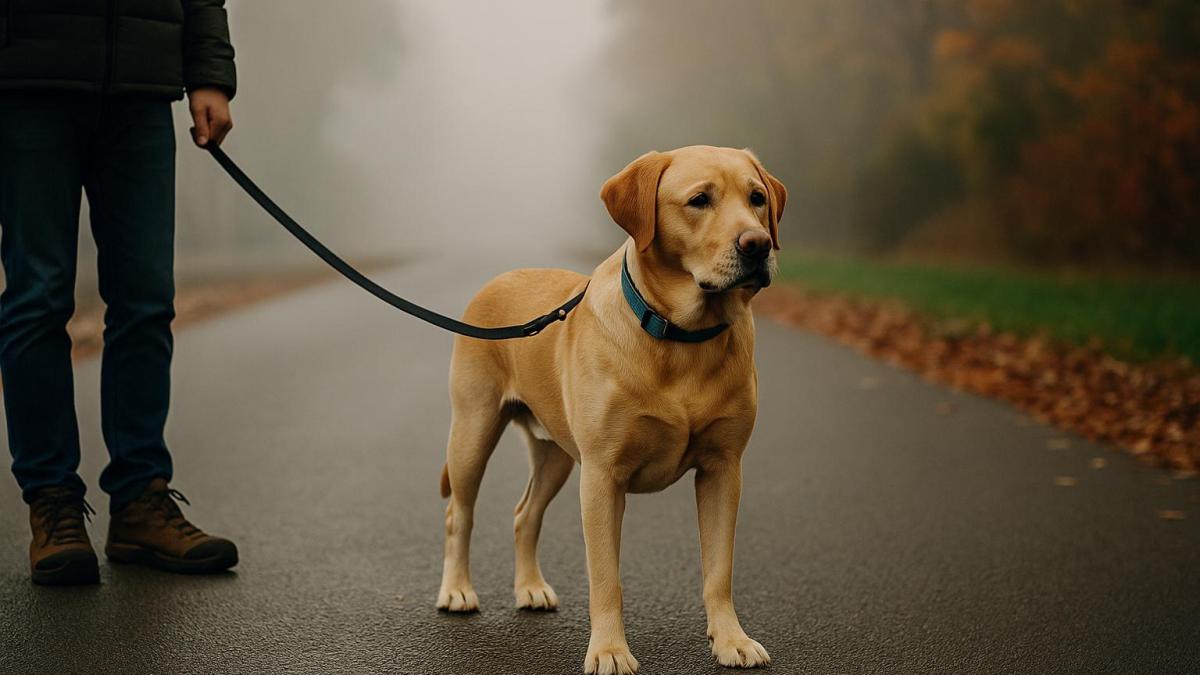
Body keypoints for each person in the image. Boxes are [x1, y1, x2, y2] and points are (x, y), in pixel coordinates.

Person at [0, 1, 239, 585]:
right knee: (37, 298)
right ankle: (52, 504)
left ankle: (140, 500)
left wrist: (209, 72)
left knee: (147, 301)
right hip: (27, 80)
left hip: (141, 83)